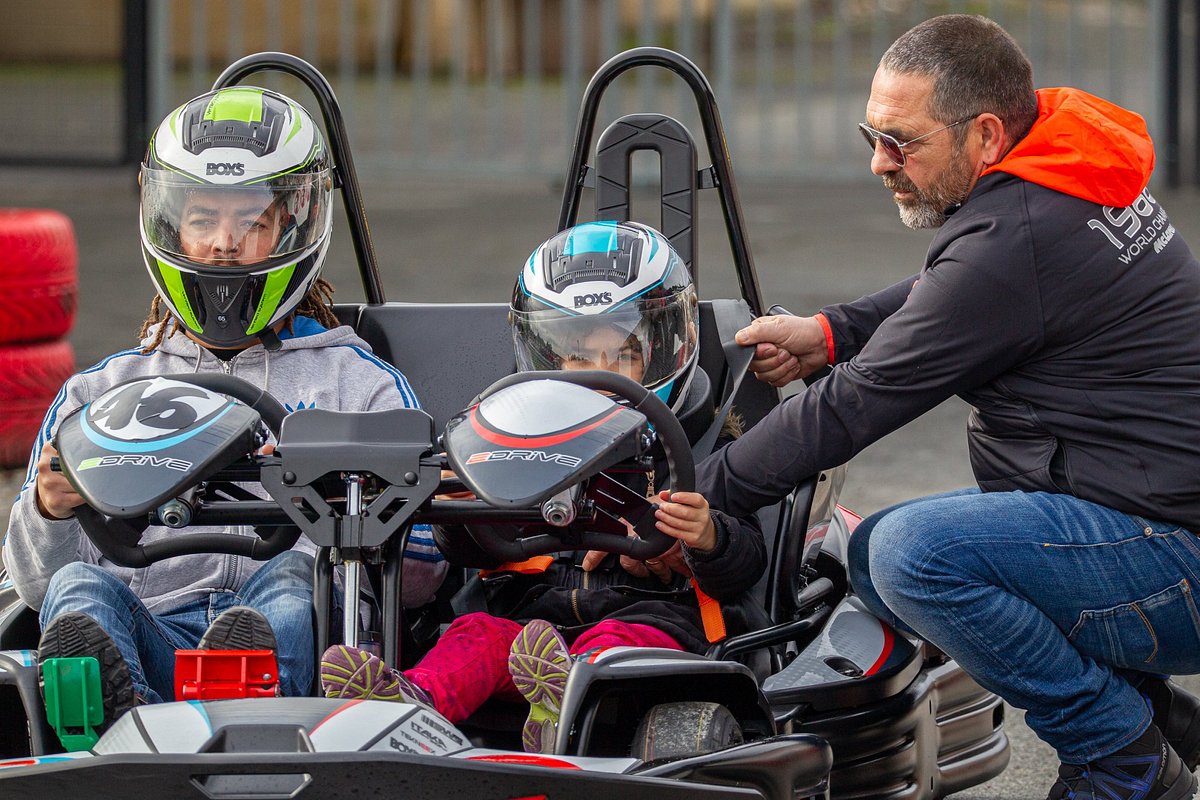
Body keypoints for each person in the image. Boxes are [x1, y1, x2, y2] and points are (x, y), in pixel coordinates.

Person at [694, 13, 1200, 800]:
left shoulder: (1019, 238)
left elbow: (852, 408)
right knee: (867, 554)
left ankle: (1122, 758)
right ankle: (1154, 717)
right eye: (872, 134)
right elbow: (960, 288)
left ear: (987, 135)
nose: (878, 162)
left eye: (902, 141)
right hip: (1149, 516)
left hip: (1176, 562)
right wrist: (833, 331)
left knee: (913, 556)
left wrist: (699, 495)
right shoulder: (1068, 169)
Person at [2, 86, 446, 733]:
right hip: (148, 628)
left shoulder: (361, 386)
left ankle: (254, 720)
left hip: (293, 637)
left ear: (294, 225)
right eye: (203, 218)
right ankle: (127, 734)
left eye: (253, 220)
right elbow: (33, 587)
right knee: (76, 589)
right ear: (169, 225)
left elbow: (426, 577)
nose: (223, 244)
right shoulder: (100, 394)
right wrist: (51, 508)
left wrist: (336, 508)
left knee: (294, 577)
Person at [319, 220, 765, 754]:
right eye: (580, 359)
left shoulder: (699, 445)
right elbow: (463, 553)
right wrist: (468, 500)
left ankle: (560, 709)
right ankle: (407, 710)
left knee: (612, 646)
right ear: (546, 359)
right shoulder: (516, 448)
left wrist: (707, 536)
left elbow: (746, 563)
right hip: (535, 627)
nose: (603, 378)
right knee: (475, 635)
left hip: (652, 621)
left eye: (623, 356)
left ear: (668, 348)